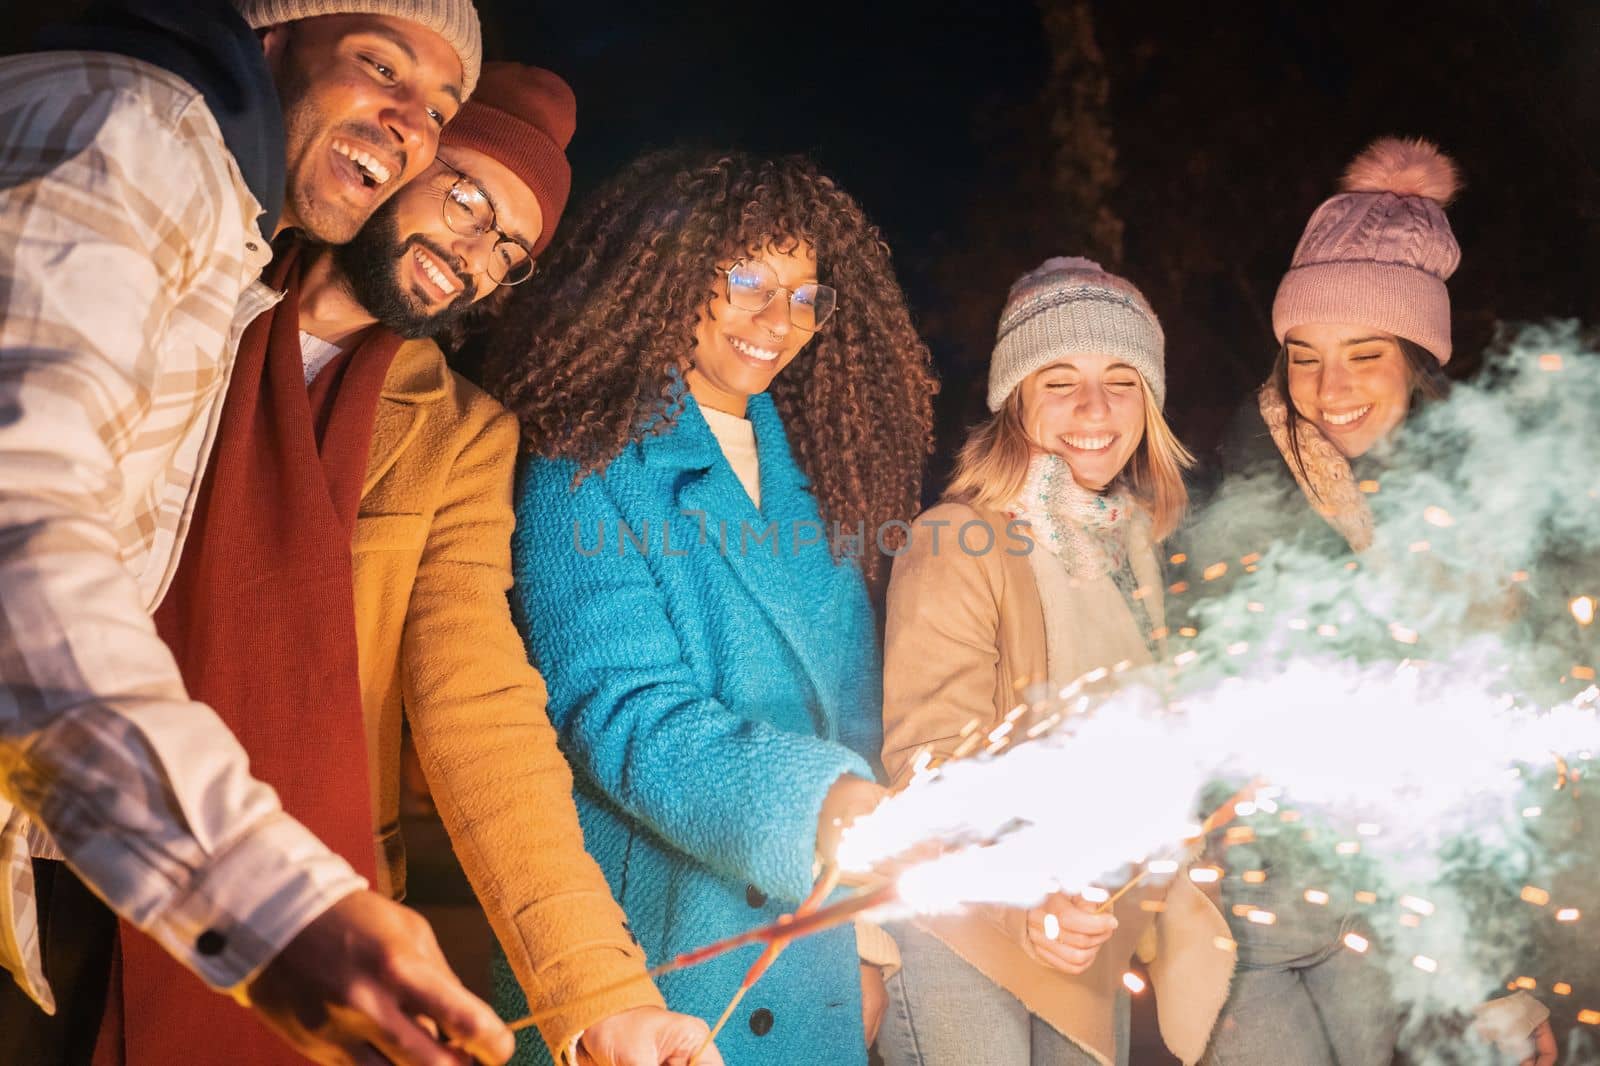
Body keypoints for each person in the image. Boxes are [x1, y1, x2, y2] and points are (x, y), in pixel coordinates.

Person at [138, 61, 722, 1065]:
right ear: (395, 153)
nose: (477, 251)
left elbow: (480, 708)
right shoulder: (174, 298)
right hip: (61, 849)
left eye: (509, 245)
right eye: (465, 196)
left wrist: (600, 991)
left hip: (307, 911)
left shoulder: (459, 436)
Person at [0, 2, 514, 1063]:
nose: (408, 121)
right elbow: (23, 536)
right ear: (273, 40)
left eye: (438, 110)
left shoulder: (227, 230)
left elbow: (480, 700)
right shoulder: (135, 134)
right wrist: (270, 899)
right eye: (382, 66)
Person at [482, 148, 937, 1064]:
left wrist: (868, 939)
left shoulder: (818, 471)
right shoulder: (586, 461)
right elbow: (615, 712)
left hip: (810, 951)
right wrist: (816, 812)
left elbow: (856, 714)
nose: (782, 320)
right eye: (747, 282)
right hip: (655, 957)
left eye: (806, 294)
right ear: (670, 274)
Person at [1194, 137, 1557, 1066]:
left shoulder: (1482, 503)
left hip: (1401, 915)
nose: (1331, 390)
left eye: (1364, 354)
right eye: (1304, 357)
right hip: (1251, 914)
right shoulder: (1242, 482)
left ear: (1417, 361)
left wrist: (1504, 982)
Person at [877, 256, 1235, 1066]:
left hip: (1087, 914)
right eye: (1058, 380)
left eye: (1122, 379)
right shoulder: (959, 538)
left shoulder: (1137, 552)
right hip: (964, 921)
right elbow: (928, 761)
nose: (1094, 409)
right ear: (1015, 401)